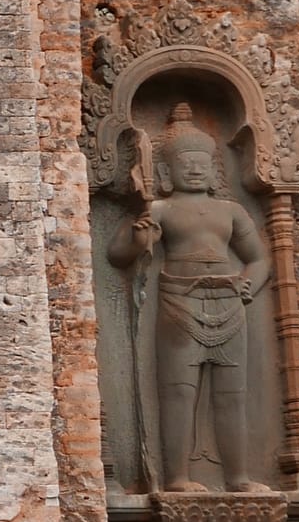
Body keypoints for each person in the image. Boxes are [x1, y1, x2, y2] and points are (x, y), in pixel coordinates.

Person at [112, 104, 270, 492]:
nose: (196, 169)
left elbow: (260, 258)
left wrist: (249, 284)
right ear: (166, 172)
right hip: (179, 302)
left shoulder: (230, 211)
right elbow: (118, 255)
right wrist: (140, 238)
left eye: (203, 163)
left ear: (215, 169)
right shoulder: (161, 209)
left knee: (232, 395)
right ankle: (178, 478)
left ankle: (238, 478)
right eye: (186, 164)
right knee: (178, 393)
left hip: (229, 301)